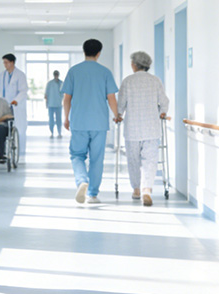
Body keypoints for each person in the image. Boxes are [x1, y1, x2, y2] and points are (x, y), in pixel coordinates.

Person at [62, 39, 120, 205]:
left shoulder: (74, 71)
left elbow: (67, 97)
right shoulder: (105, 72)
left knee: (77, 155)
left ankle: (81, 181)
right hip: (99, 123)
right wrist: (116, 115)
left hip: (79, 121)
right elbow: (111, 98)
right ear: (99, 53)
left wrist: (66, 117)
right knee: (97, 158)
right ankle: (92, 194)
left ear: (84, 51)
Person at [116, 51, 169, 207]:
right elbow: (164, 101)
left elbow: (121, 104)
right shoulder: (155, 81)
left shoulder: (127, 81)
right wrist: (162, 112)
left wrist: (119, 115)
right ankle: (147, 190)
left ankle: (137, 189)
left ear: (134, 65)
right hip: (151, 128)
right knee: (150, 161)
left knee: (133, 160)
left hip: (132, 129)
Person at [0, 53, 28, 153]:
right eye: (4, 62)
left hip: (16, 106)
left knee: (19, 129)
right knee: (4, 128)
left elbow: (23, 91)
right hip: (4, 107)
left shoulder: (20, 75)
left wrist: (16, 100)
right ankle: (4, 151)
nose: (4, 64)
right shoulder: (1, 76)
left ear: (12, 62)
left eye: (6, 62)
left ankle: (20, 151)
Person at [45, 70, 64, 138]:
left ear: (58, 75)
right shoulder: (50, 83)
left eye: (57, 74)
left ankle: (59, 132)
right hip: (51, 104)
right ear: (54, 75)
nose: (56, 75)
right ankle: (52, 133)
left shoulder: (61, 83)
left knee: (59, 119)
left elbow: (63, 94)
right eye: (55, 74)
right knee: (51, 120)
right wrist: (46, 103)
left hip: (58, 104)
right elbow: (46, 94)